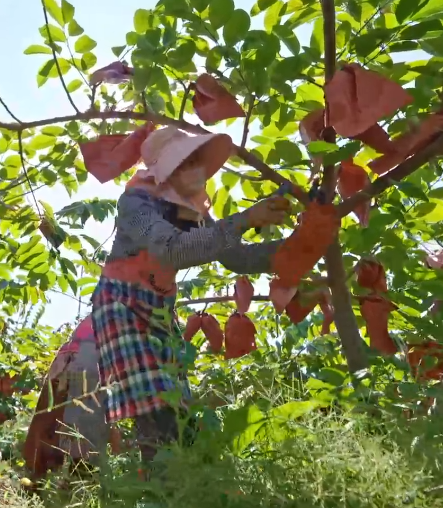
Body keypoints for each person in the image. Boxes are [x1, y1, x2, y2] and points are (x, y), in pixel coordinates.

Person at [91, 126, 294, 473]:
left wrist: (298, 245)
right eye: (186, 163)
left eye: (198, 161)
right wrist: (246, 218)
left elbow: (237, 258)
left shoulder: (188, 209)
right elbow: (170, 249)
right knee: (158, 409)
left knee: (178, 408)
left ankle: (177, 484)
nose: (197, 171)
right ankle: (164, 488)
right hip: (123, 307)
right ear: (166, 170)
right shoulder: (136, 202)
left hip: (158, 311)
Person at [23, 316, 115, 481]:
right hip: (90, 357)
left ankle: (34, 483)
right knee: (82, 450)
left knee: (47, 429)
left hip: (69, 357)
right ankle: (74, 486)